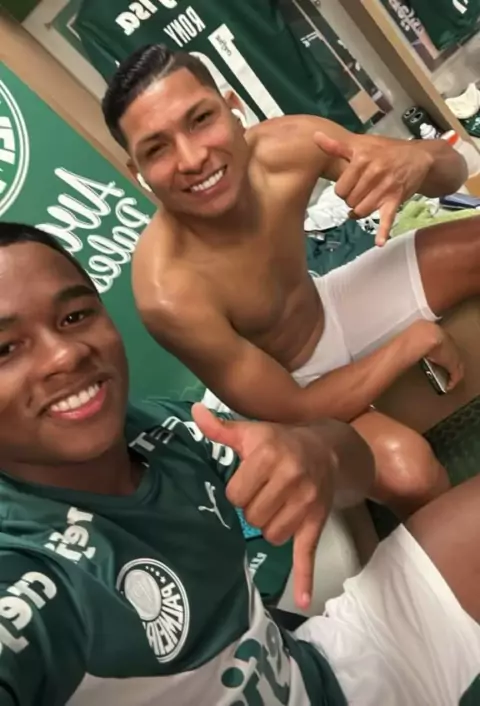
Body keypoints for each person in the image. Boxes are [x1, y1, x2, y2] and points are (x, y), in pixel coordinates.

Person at [0, 222, 479, 706]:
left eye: (74, 316)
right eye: (5, 349)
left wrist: (319, 453)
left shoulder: (170, 428)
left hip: (327, 668)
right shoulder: (21, 569)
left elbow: (351, 459)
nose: (65, 353)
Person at [101, 44, 471, 518]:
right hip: (298, 384)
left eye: (200, 120)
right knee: (410, 472)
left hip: (329, 304)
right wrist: (410, 343)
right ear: (139, 174)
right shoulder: (167, 292)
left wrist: (417, 160)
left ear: (233, 108)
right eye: (157, 148)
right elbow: (296, 409)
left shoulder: (289, 145)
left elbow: (453, 173)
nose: (192, 158)